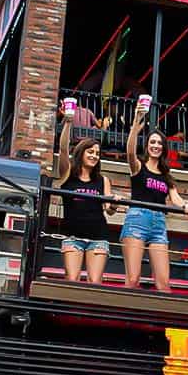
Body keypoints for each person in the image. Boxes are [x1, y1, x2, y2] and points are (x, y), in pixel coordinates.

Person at [122, 105, 188, 292]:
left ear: (163, 148)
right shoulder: (139, 167)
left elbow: (175, 198)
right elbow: (130, 152)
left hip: (159, 223)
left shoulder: (165, 174)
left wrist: (187, 206)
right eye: (152, 142)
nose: (155, 146)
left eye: (159, 143)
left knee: (163, 283)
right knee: (133, 278)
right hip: (137, 220)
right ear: (147, 145)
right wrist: (136, 123)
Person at [56, 111, 117, 285]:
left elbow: (109, 210)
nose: (94, 156)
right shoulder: (68, 174)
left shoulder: (102, 180)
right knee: (72, 279)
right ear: (81, 153)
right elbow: (62, 149)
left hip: (98, 237)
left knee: (94, 282)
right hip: (72, 236)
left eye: (97, 154)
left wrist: (113, 204)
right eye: (90, 152)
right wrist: (67, 123)